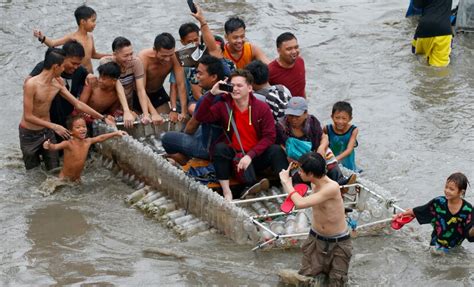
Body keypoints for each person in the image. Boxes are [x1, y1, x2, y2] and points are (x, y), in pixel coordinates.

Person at [195, 69, 288, 201]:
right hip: (235, 156)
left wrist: (250, 155)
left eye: (239, 86)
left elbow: (270, 136)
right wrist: (211, 94)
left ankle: (286, 188)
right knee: (220, 148)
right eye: (232, 86)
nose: (235, 89)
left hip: (255, 155)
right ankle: (227, 192)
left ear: (250, 88)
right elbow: (201, 116)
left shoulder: (261, 108)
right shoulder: (224, 105)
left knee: (276, 150)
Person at [20, 48, 108, 170]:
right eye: (62, 67)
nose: (64, 70)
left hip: (47, 132)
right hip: (29, 134)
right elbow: (28, 116)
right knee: (32, 171)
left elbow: (78, 104)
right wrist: (54, 126)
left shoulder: (57, 83)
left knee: (54, 169)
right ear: (56, 67)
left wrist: (103, 117)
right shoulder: (31, 85)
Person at [279, 152, 352, 286]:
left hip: (338, 242)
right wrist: (288, 181)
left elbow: (300, 203)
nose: (299, 173)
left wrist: (286, 182)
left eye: (301, 170)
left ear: (311, 173)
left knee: (337, 282)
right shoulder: (314, 182)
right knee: (305, 279)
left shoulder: (332, 187)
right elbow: (296, 199)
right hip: (316, 239)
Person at [276, 97, 356, 188]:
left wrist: (321, 148)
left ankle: (339, 180)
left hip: (314, 153)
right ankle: (303, 187)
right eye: (291, 115)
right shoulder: (281, 126)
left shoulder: (312, 122)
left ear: (305, 113)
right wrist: (288, 155)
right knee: (298, 173)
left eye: (297, 116)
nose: (293, 119)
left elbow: (324, 137)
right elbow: (280, 145)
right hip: (296, 158)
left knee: (327, 152)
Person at [162, 55, 225, 164]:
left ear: (214, 77)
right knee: (197, 129)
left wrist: (185, 134)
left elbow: (190, 128)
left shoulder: (207, 99)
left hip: (207, 149)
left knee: (167, 138)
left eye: (200, 73)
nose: (197, 76)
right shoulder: (228, 92)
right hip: (223, 145)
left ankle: (186, 160)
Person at [395, 172, 474, 253]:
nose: (447, 191)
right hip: (435, 245)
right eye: (446, 187)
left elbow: (469, 234)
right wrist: (402, 214)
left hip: (454, 249)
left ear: (461, 192)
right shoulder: (439, 202)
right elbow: (422, 211)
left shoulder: (468, 209)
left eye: (451, 189)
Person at [27, 40, 90, 130]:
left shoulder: (79, 70)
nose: (76, 67)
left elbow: (78, 102)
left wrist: (89, 76)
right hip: (47, 119)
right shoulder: (47, 67)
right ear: (64, 58)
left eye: (78, 64)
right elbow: (28, 82)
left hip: (67, 115)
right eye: (73, 63)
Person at [43, 115, 127, 181]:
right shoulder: (68, 144)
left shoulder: (87, 142)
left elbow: (100, 138)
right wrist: (48, 145)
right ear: (71, 131)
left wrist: (116, 133)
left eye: (84, 126)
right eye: (78, 127)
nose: (82, 129)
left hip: (77, 179)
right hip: (64, 179)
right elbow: (55, 147)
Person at [33, 5, 109, 73]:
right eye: (93, 21)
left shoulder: (90, 37)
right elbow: (53, 43)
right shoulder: (72, 37)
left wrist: (110, 55)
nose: (95, 24)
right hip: (77, 74)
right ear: (83, 22)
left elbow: (93, 55)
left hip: (90, 73)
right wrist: (42, 37)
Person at [100, 37, 158, 125]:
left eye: (131, 54)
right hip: (111, 104)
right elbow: (118, 86)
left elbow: (140, 90)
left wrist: (146, 114)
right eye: (125, 55)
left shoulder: (136, 62)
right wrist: (126, 111)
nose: (130, 58)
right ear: (114, 54)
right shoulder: (106, 63)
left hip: (128, 102)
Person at [138, 33, 187, 122]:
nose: (167, 59)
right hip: (138, 94)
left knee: (167, 120)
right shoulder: (143, 58)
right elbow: (141, 89)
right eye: (164, 56)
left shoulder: (176, 56)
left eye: (170, 55)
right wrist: (153, 113)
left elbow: (181, 85)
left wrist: (182, 111)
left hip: (157, 92)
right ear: (154, 50)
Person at [411, 0, 454, 67]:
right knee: (440, 69)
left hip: (424, 30)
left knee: (419, 60)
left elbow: (416, 6)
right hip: (444, 31)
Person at [323, 101, 359, 172]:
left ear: (350, 119)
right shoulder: (327, 129)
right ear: (332, 117)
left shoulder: (353, 130)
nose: (340, 121)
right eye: (337, 117)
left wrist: (335, 159)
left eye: (344, 118)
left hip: (348, 166)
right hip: (331, 163)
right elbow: (322, 145)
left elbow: (349, 150)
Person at [268, 32, 306, 98]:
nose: (294, 51)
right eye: (289, 49)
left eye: (296, 47)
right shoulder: (270, 71)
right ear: (278, 51)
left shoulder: (300, 61)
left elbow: (302, 89)